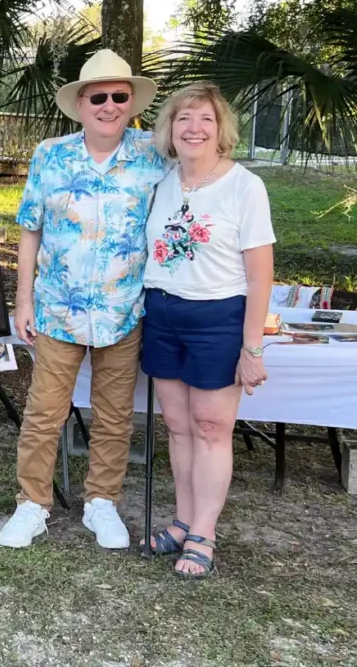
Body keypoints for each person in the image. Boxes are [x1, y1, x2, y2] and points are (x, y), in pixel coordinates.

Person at [0, 49, 166, 550]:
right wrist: (22, 300)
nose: (110, 105)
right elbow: (30, 231)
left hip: (123, 309)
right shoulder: (51, 154)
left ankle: (102, 503)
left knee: (114, 413)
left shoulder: (155, 152)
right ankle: (31, 505)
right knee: (44, 411)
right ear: (82, 103)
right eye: (100, 96)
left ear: (131, 101)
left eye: (120, 96)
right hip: (57, 308)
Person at [139, 82, 274, 579]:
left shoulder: (244, 186)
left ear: (222, 131)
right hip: (163, 312)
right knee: (177, 427)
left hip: (218, 318)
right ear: (170, 131)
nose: (194, 128)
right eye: (184, 119)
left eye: (205, 120)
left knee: (211, 428)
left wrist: (251, 347)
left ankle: (204, 533)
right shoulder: (164, 180)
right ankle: (182, 520)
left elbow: (261, 274)